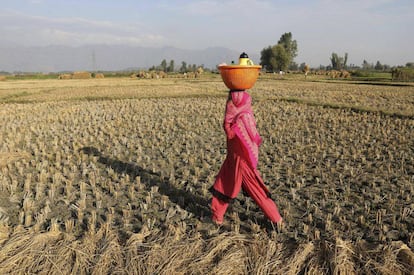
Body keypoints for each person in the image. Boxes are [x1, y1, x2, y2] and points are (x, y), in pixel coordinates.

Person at [210, 90, 283, 227]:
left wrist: (228, 122)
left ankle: (276, 218)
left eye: (229, 101)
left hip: (240, 161)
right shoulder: (246, 108)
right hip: (234, 159)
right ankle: (217, 216)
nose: (228, 104)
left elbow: (230, 133)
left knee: (253, 190)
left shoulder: (236, 119)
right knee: (224, 185)